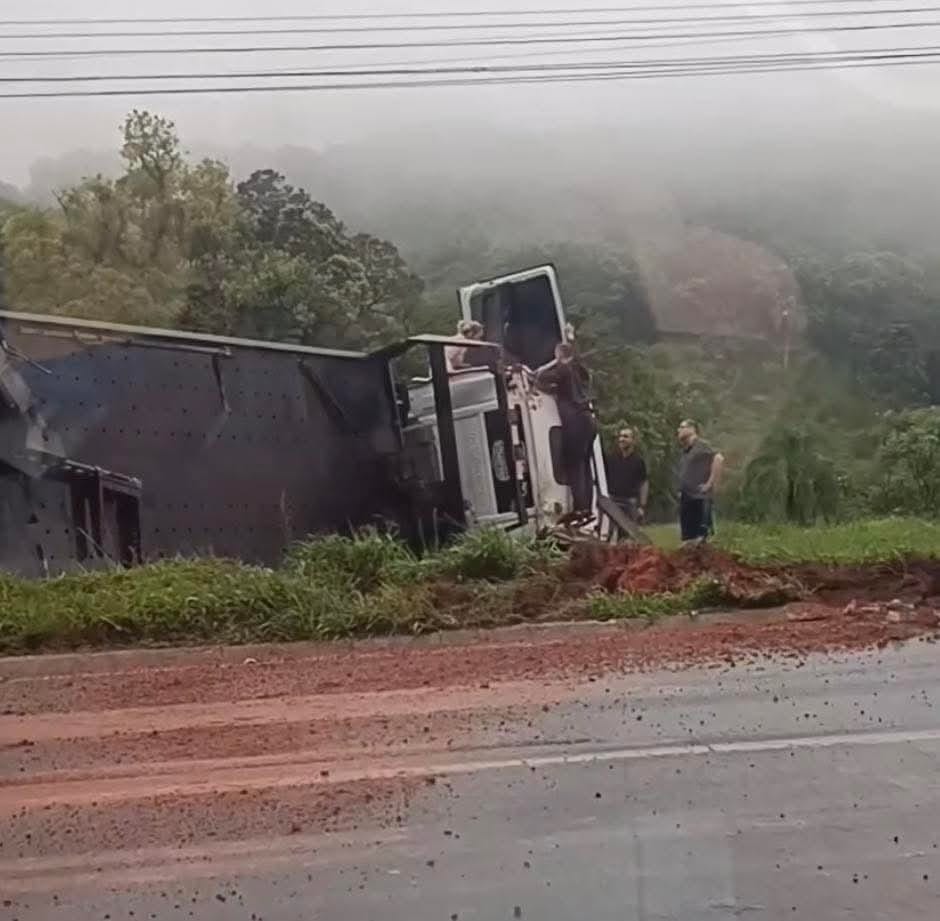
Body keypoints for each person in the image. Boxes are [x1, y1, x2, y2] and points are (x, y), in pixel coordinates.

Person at [535, 341, 598, 520]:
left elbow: (541, 377)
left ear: (560, 355)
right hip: (589, 419)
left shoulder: (563, 369)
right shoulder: (581, 370)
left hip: (575, 420)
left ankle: (579, 508)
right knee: (585, 464)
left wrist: (553, 364)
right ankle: (587, 508)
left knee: (574, 464)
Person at [676, 419, 724, 543]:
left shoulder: (701, 446)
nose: (678, 430)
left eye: (682, 427)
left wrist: (710, 484)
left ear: (692, 429)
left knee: (701, 539)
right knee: (688, 540)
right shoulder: (686, 451)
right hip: (687, 498)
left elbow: (718, 459)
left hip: (699, 498)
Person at [606, 426, 649, 522]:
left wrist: (642, 506)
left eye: (625, 436)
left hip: (630, 502)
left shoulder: (638, 461)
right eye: (620, 436)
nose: (621, 439)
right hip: (612, 500)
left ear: (633, 440)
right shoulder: (611, 458)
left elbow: (644, 483)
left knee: (630, 533)